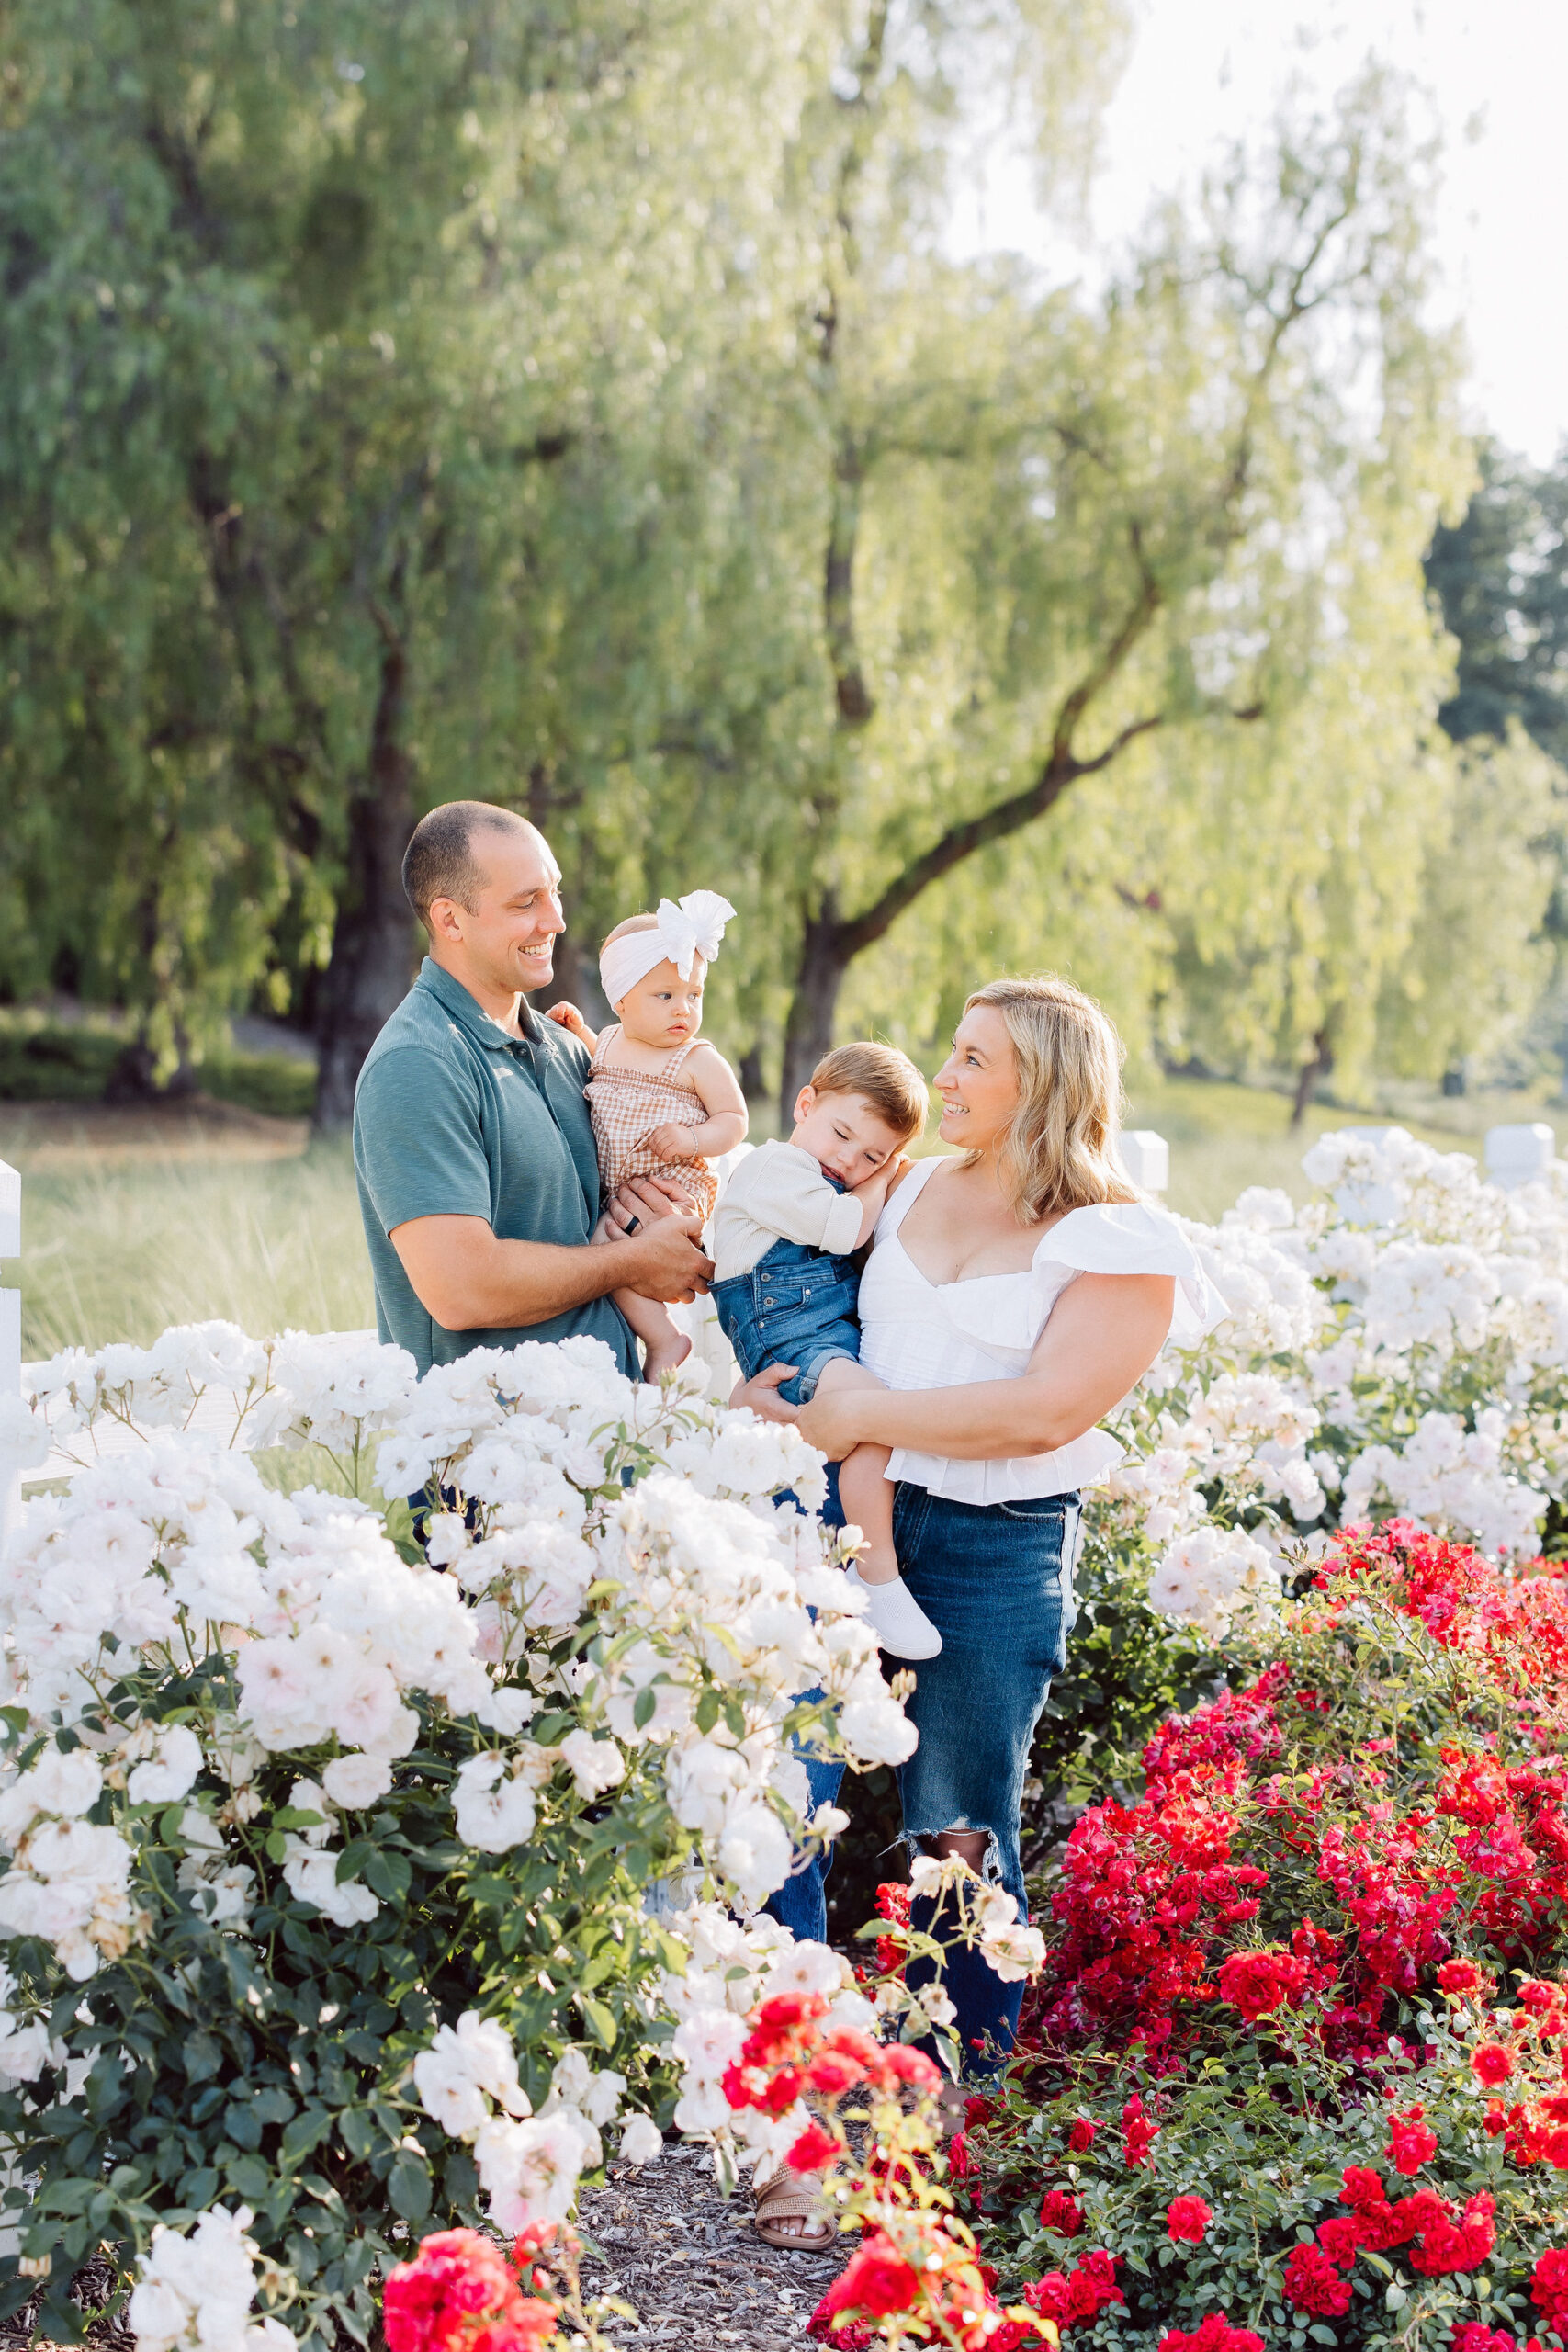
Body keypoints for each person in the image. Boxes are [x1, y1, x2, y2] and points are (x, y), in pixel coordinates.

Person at [734, 975, 1224, 2247]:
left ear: (1045, 1086)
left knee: (953, 1829)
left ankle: (926, 2126)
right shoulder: (897, 1191)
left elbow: (1042, 1413)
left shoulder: (1116, 1242)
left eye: (970, 1061)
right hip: (843, 1527)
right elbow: (769, 1250)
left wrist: (861, 1412)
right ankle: (795, 2120)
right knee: (785, 1806)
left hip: (997, 1546)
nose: (939, 1080)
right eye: (949, 1053)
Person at [352, 801, 712, 1394]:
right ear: (450, 920)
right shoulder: (418, 1064)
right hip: (488, 1461)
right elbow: (462, 1289)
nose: (556, 920)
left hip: (608, 1435)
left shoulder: (567, 1049)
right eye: (526, 903)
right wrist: (635, 1262)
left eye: (554, 893)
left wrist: (665, 1212)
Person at [709, 1043, 942, 1662]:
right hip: (787, 1340)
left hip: (820, 1340)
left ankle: (861, 1566)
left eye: (873, 1155)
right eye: (841, 1135)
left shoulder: (816, 1179)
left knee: (876, 1426)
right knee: (878, 1419)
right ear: (803, 1104)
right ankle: (876, 1574)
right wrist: (884, 1178)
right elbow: (845, 1229)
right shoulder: (770, 1168)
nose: (848, 1160)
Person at [546, 891, 749, 1379]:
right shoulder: (611, 1042)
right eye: (666, 996)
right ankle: (663, 1334)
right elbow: (606, 1075)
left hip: (676, 1186)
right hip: (621, 1191)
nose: (684, 1010)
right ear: (622, 1000)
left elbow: (734, 1118)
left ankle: (662, 1341)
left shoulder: (696, 1060)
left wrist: (693, 1139)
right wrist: (580, 1032)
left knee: (650, 1245)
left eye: (693, 995)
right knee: (603, 1252)